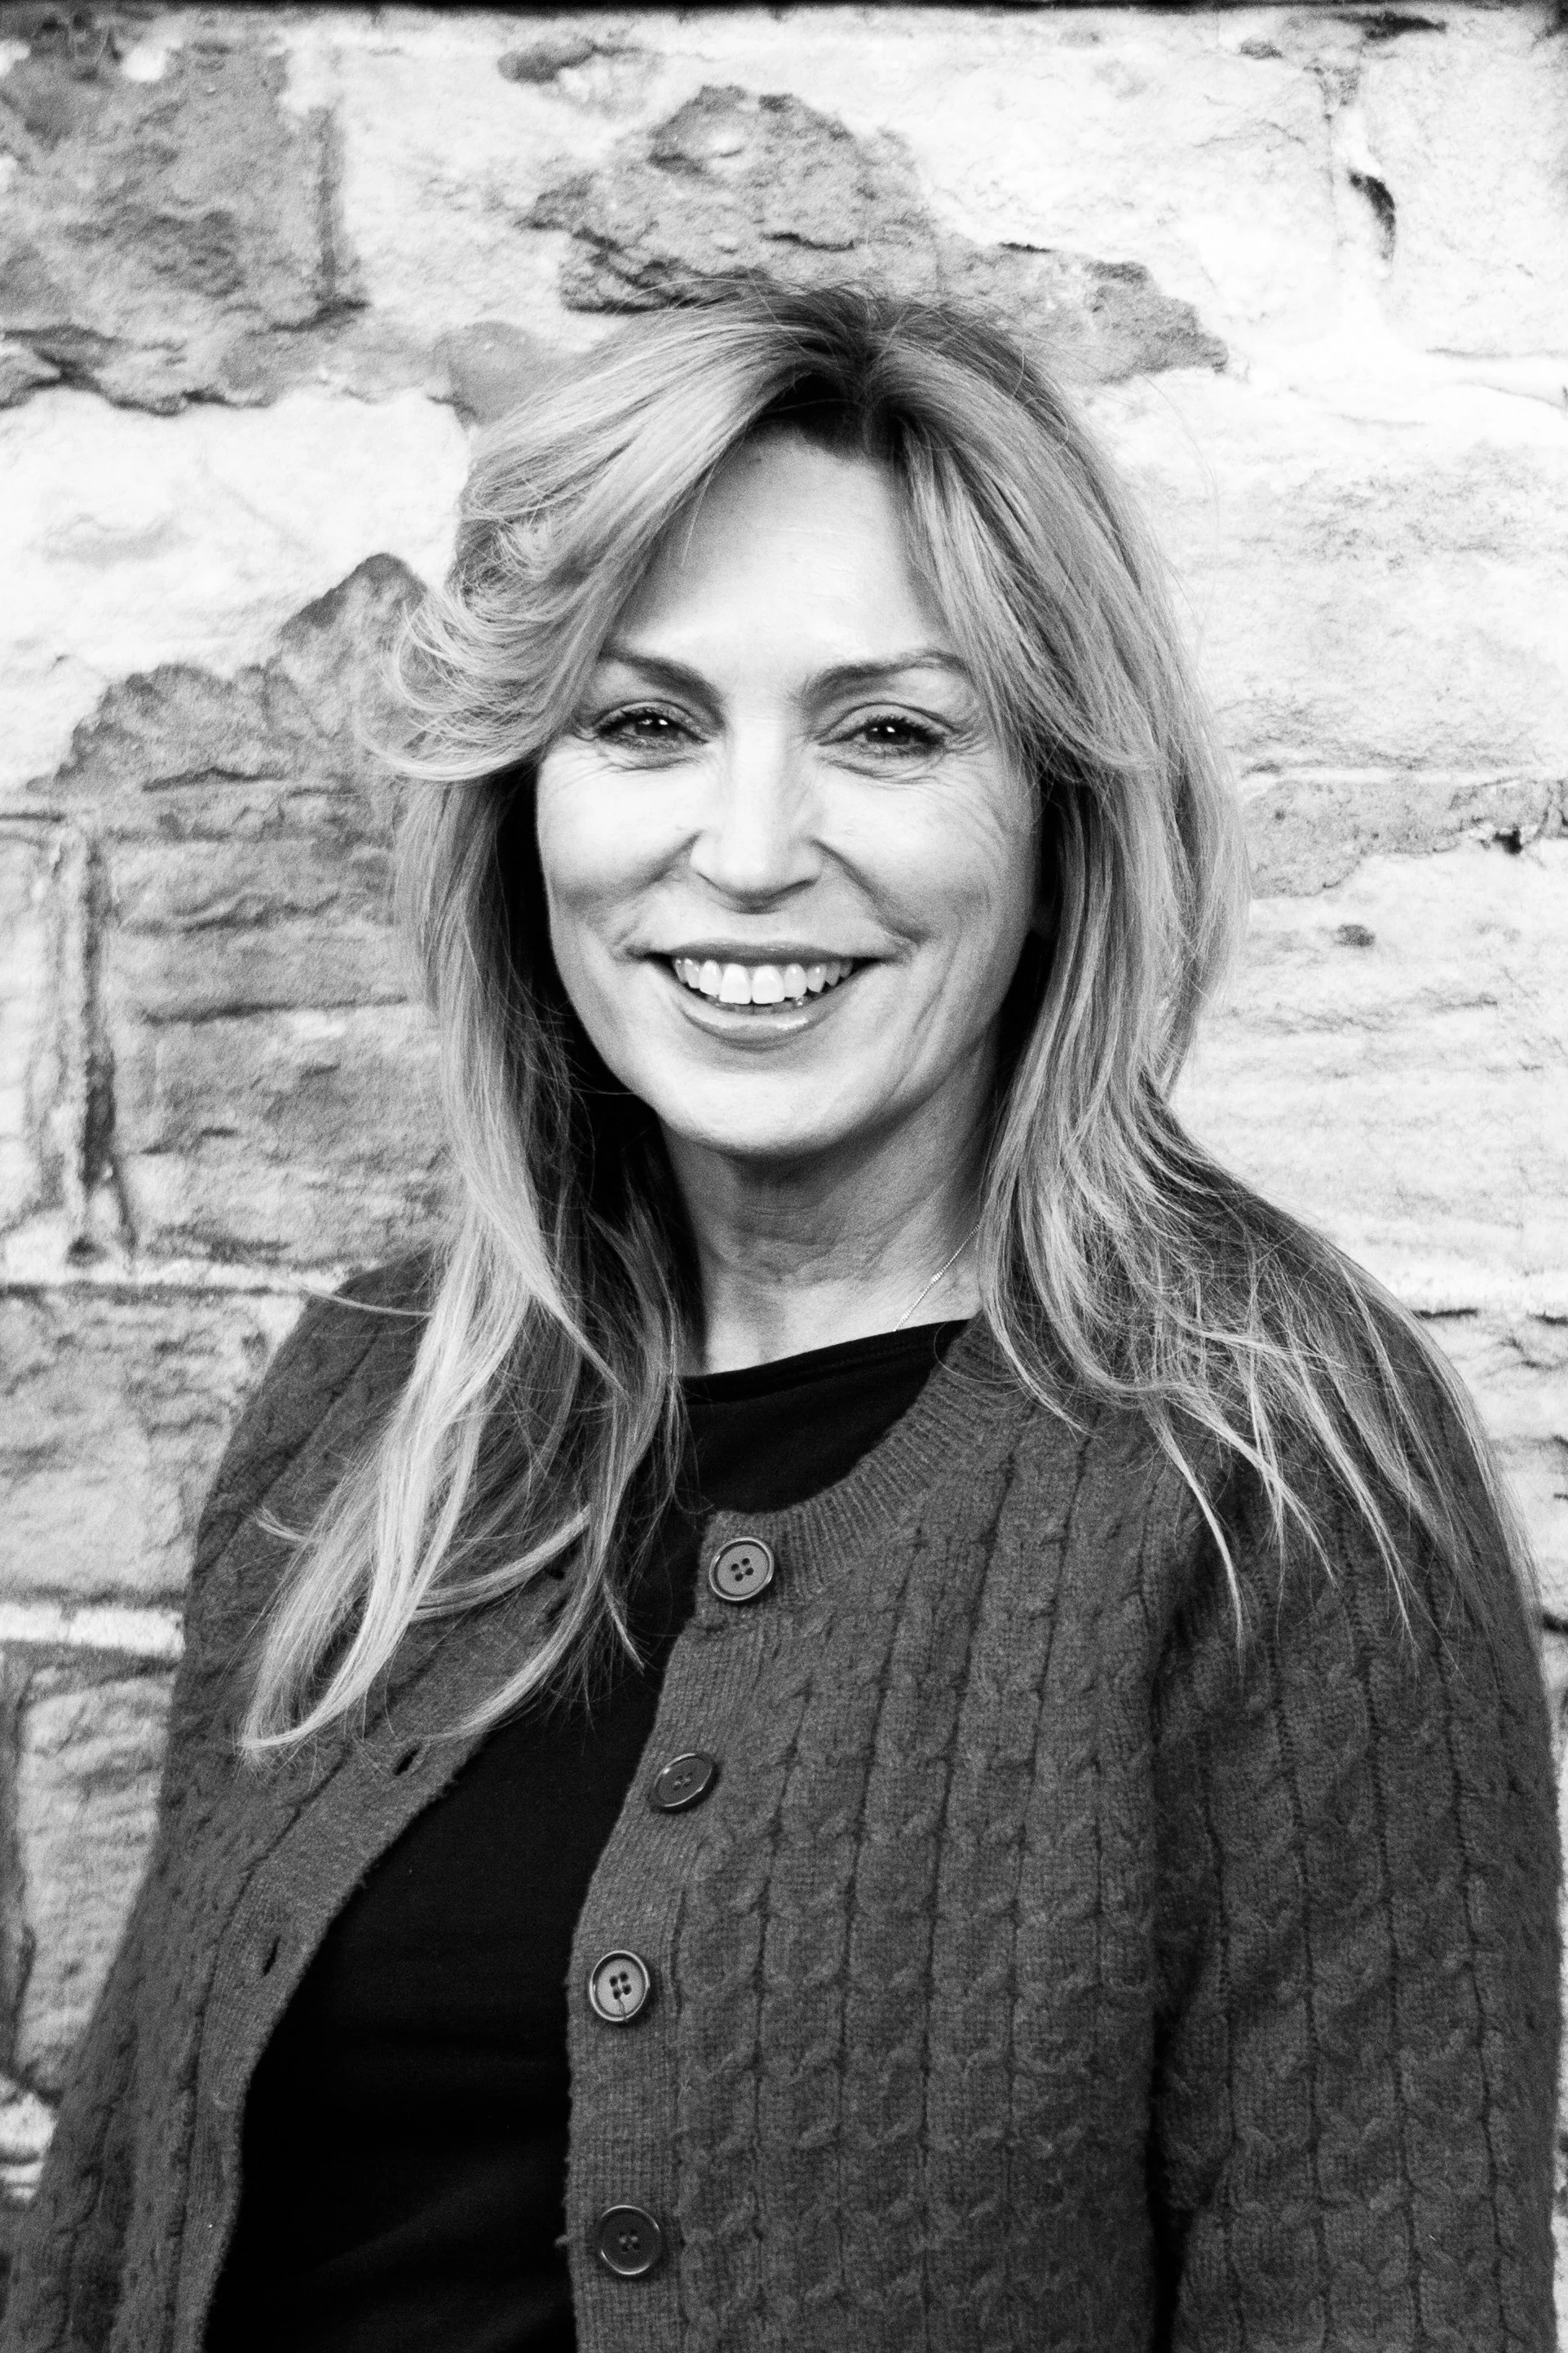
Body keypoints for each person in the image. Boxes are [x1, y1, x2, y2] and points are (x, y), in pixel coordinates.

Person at [2, 285, 1556, 2353]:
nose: (742, 852)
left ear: (1059, 807)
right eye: (644, 722)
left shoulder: (1272, 1464)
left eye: (888, 731)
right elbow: (120, 2226)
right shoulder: (378, 1391)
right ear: (522, 797)